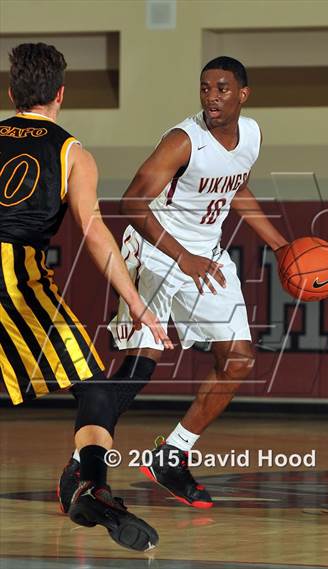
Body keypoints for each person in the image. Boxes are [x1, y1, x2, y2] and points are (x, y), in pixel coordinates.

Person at [59, 56, 288, 510]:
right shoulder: (183, 141)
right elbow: (132, 201)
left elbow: (234, 187)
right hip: (158, 250)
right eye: (205, 88)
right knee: (138, 367)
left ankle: (172, 455)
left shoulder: (254, 135)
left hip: (205, 255)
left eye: (222, 88)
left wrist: (281, 246)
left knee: (239, 359)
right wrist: (184, 257)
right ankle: (81, 465)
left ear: (243, 94)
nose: (212, 97)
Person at [0, 42, 173, 551]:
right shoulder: (72, 151)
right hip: (16, 275)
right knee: (94, 387)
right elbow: (95, 234)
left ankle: (86, 483)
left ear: (11, 93)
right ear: (60, 94)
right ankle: (90, 483)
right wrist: (136, 303)